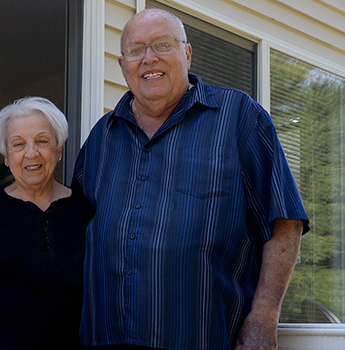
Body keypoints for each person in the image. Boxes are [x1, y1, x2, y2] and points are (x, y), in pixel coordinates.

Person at [73, 8, 310, 350]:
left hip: (202, 336)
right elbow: (76, 235)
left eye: (162, 45)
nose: (149, 58)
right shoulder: (101, 138)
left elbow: (284, 221)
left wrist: (264, 315)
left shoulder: (238, 117)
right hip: (105, 336)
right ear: (123, 64)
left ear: (186, 53)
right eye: (136, 50)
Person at [0, 96, 93, 350]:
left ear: (59, 150)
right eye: (18, 144)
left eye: (42, 141)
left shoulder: (86, 209)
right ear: (6, 156)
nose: (31, 153)